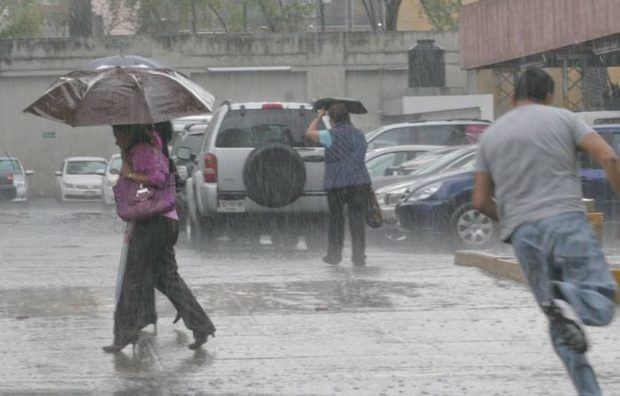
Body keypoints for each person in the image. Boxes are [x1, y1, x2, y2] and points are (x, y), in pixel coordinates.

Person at [473, 68, 619, 395]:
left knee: (561, 326)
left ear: (512, 98)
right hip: (565, 221)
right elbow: (608, 158)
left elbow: (480, 201)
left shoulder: (491, 136)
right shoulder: (563, 119)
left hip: (524, 236)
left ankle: (589, 390)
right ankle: (567, 295)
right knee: (601, 300)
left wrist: (513, 220)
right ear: (549, 95)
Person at [103, 123, 216, 353]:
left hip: (153, 223)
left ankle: (125, 334)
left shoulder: (144, 150)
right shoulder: (143, 148)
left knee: (132, 279)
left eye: (118, 134)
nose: (116, 140)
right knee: (166, 278)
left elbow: (158, 178)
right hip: (164, 221)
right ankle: (201, 325)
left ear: (128, 132)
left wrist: (131, 174)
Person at [305, 103, 371, 266]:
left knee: (336, 220)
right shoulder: (360, 135)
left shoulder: (329, 135)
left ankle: (334, 256)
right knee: (357, 220)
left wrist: (318, 117)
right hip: (359, 182)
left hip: (337, 183)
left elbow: (309, 133)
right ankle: (358, 257)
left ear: (332, 119)